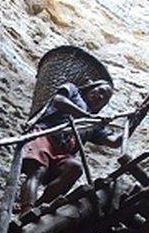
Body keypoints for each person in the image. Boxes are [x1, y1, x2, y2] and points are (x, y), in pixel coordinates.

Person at [18, 80, 122, 213]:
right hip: (46, 135)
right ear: (91, 88)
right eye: (100, 91)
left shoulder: (94, 123)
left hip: (64, 152)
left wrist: (134, 122)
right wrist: (86, 116)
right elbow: (58, 100)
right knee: (38, 171)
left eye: (104, 99)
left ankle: (38, 208)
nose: (100, 97)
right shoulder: (73, 91)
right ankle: (26, 210)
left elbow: (114, 142)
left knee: (74, 168)